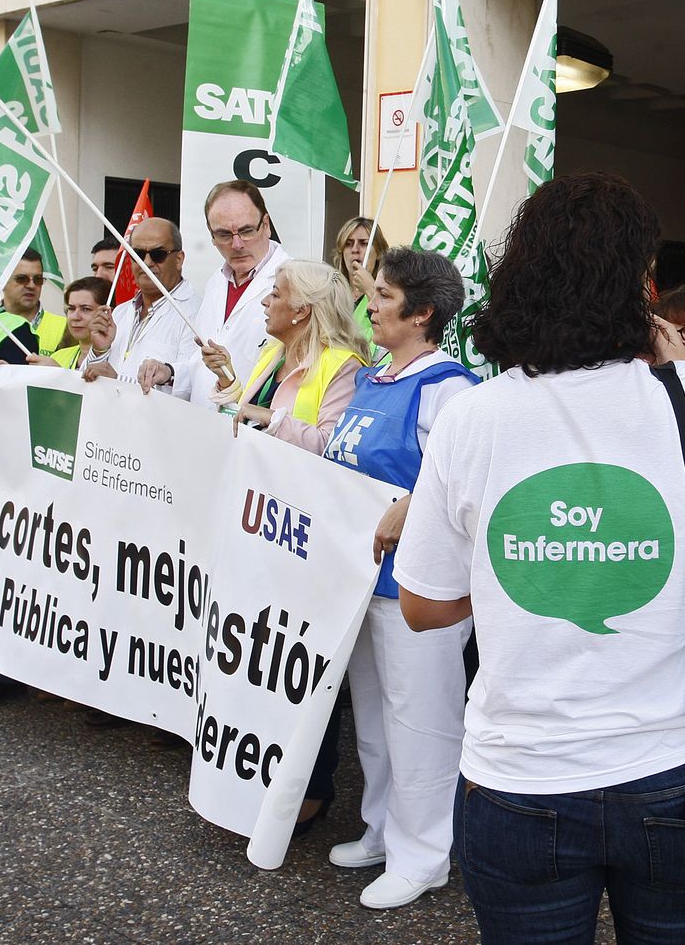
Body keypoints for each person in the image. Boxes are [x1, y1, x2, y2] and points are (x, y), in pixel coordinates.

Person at [393, 173, 685, 945]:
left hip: (519, 780)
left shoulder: (474, 418)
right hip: (680, 769)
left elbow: (424, 606)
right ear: (641, 287)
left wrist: (528, 574)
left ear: (517, 278)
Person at [320, 247, 479, 909]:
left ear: (423, 313)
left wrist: (410, 504)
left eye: (384, 296)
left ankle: (426, 854)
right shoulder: (376, 376)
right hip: (362, 575)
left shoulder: (450, 387)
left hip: (419, 585)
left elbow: (457, 482)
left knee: (423, 720)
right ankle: (383, 829)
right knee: (379, 723)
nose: (372, 305)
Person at [137, 180, 290, 405]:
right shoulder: (216, 283)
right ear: (212, 237)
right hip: (205, 426)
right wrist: (169, 373)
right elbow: (202, 366)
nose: (237, 244)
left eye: (246, 231)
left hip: (256, 429)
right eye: (224, 235)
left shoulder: (293, 282)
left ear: (265, 224)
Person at [211, 259, 369, 450]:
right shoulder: (273, 352)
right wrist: (226, 377)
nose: (265, 301)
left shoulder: (344, 366)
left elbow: (330, 445)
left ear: (301, 311)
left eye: (275, 295)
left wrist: (273, 419)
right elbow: (247, 415)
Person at [81, 218, 201, 386]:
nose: (146, 263)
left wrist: (119, 381)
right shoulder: (120, 312)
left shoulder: (196, 314)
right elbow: (86, 382)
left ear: (179, 259)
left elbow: (191, 389)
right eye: (137, 254)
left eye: (158, 255)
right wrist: (99, 351)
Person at [331, 216, 389, 349]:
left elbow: (393, 330)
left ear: (379, 252)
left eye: (364, 243)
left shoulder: (391, 293)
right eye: (349, 244)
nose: (355, 249)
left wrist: (371, 289)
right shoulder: (332, 293)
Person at [34, 277, 111, 370]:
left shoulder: (121, 358)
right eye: (71, 308)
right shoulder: (58, 357)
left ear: (108, 313)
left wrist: (60, 375)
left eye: (86, 309)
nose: (75, 317)